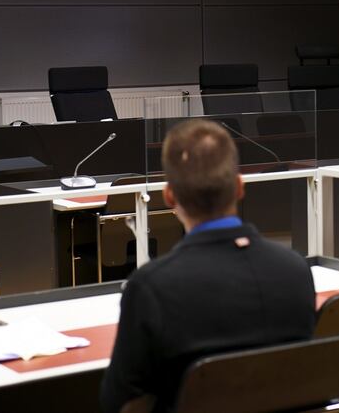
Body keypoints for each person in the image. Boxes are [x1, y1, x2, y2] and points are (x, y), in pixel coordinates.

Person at [100, 119, 316, 413]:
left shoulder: (151, 287)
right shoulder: (295, 270)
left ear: (169, 196)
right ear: (240, 187)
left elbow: (118, 402)